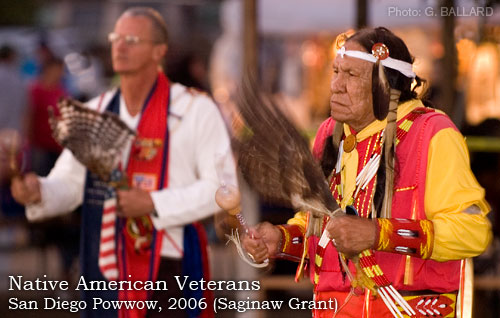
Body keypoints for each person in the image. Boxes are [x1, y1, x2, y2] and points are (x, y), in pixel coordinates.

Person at [242, 27, 492, 318]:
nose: (335, 85)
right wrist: (282, 239)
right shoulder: (329, 135)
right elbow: (320, 229)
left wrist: (377, 234)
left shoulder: (431, 134)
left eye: (351, 75)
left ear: (385, 84)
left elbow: (473, 233)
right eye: (336, 72)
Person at [11, 7, 234, 318]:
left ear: (159, 51)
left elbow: (224, 189)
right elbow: (69, 183)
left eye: (132, 39)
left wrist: (154, 202)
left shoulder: (196, 109)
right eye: (116, 37)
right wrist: (39, 191)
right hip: (104, 268)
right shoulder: (97, 110)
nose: (120, 45)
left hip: (168, 268)